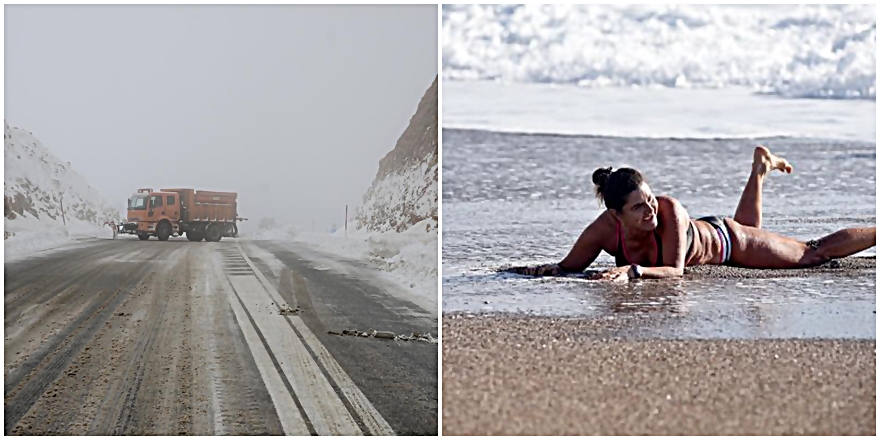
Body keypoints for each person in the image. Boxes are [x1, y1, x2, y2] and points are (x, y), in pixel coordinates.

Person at [522, 146, 876, 281]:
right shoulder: (603, 229)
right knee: (753, 227)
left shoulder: (670, 210)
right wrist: (538, 272)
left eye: (649, 200)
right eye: (637, 208)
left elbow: (675, 271)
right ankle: (759, 170)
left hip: (726, 242)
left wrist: (632, 270)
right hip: (723, 234)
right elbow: (569, 267)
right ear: (616, 216)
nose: (650, 211)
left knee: (812, 253)